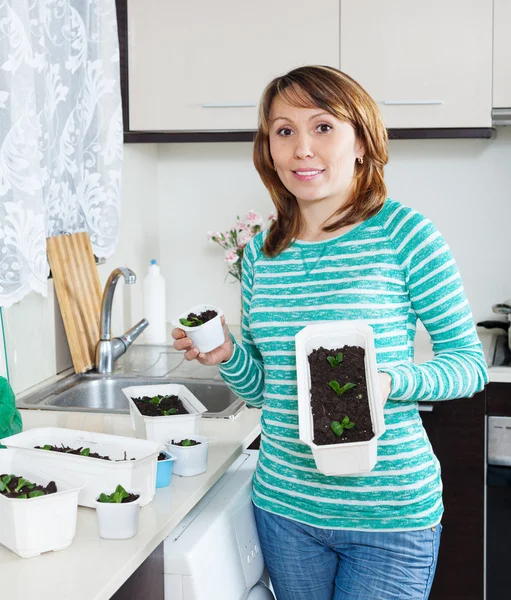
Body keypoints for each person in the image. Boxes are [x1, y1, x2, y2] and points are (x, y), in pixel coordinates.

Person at [172, 65, 488, 600]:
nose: (301, 148)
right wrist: (227, 353)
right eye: (284, 130)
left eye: (323, 127)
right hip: (285, 508)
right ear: (268, 148)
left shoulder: (405, 234)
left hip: (389, 517)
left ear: (361, 142)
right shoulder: (261, 253)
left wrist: (388, 382)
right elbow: (265, 391)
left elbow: (468, 363)